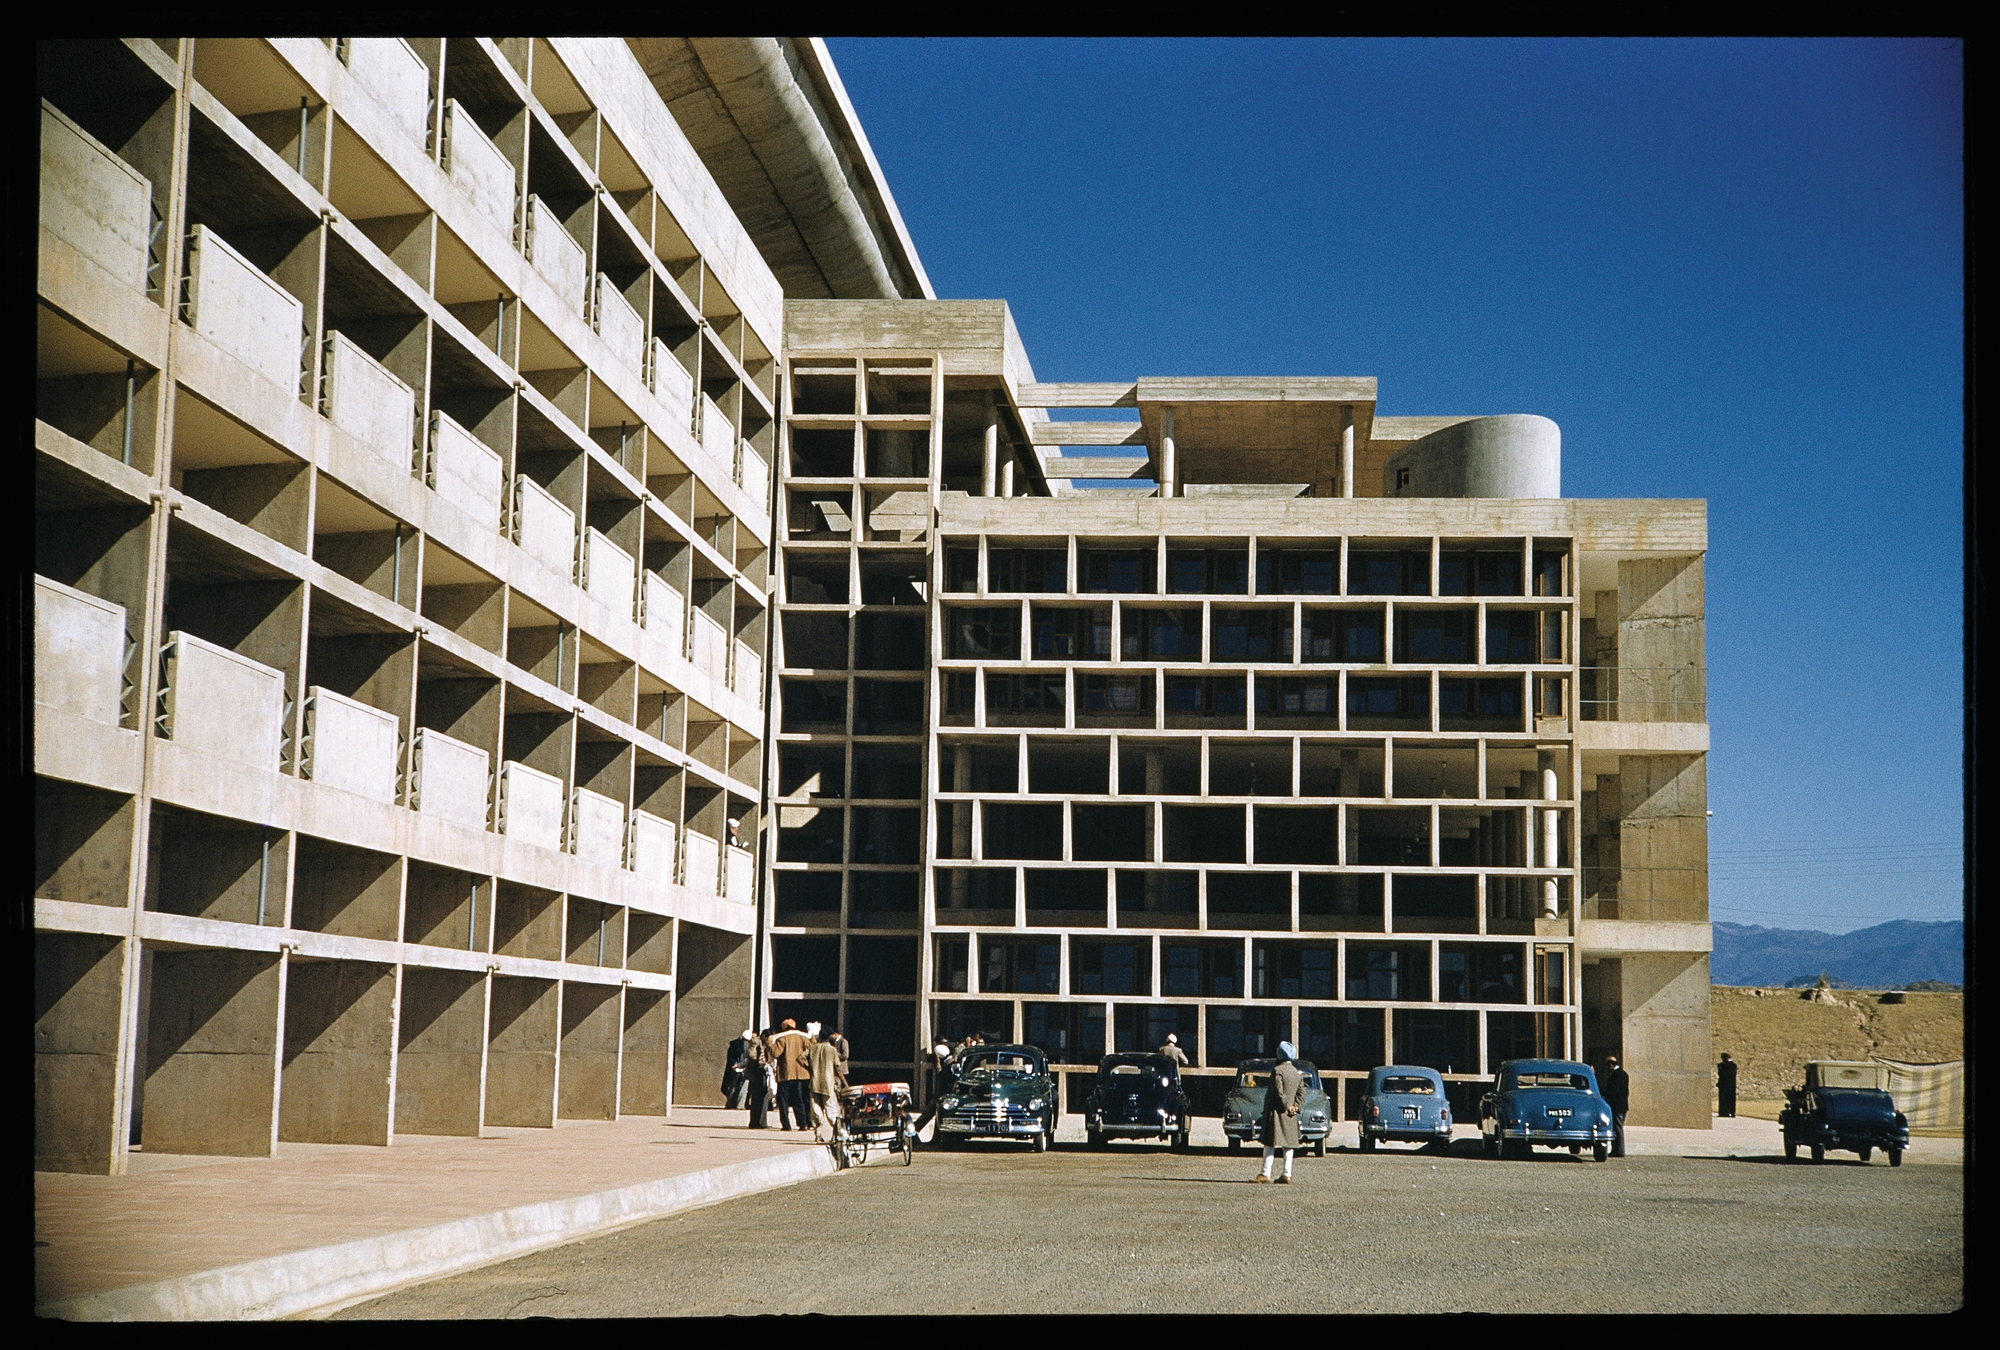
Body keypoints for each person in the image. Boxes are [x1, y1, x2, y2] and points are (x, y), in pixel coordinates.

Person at [1257, 1040, 1307, 1184]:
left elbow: (1278, 1092)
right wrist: (1295, 1107)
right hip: (1290, 1115)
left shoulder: (1277, 1071)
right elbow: (1301, 1093)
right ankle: (1287, 1173)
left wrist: (1286, 1105)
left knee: (1269, 1142)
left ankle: (1265, 1173)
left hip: (1276, 1113)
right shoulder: (1297, 1073)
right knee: (1289, 1144)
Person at [770, 1018, 813, 1132]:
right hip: (800, 1073)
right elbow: (811, 1048)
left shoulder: (782, 1039)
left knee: (783, 1100)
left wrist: (769, 1043)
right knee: (798, 1099)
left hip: (786, 1074)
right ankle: (803, 1124)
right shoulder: (802, 1037)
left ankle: (786, 1125)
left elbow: (776, 1053)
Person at [806, 1022, 842, 1142]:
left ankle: (818, 1134)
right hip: (828, 1083)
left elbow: (800, 1058)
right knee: (831, 1109)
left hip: (814, 1082)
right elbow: (837, 1067)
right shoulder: (832, 1050)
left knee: (816, 1109)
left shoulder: (812, 1048)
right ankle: (835, 1134)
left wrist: (810, 1068)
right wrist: (844, 1083)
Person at [745, 1026, 775, 1129]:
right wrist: (761, 1062)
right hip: (757, 1072)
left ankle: (761, 1121)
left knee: (763, 1097)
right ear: (764, 1036)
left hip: (764, 1071)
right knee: (757, 1097)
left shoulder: (767, 1044)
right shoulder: (756, 1042)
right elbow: (752, 1054)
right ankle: (755, 1122)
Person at [1603, 1054, 1631, 1158]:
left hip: (1617, 1106)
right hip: (1621, 1105)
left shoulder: (1617, 1075)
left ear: (1611, 1065)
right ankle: (1616, 1150)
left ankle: (1619, 1151)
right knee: (1616, 1128)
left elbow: (1614, 1091)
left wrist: (1603, 1092)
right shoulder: (1623, 1074)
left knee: (1617, 1129)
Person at [722, 1029, 754, 1111]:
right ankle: (740, 1105)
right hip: (744, 1069)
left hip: (734, 1068)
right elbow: (748, 1058)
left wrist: (734, 1065)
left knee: (733, 1086)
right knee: (743, 1087)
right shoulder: (748, 1045)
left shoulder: (734, 1044)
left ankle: (730, 1103)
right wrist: (740, 1065)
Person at [1717, 1053, 1738, 1118]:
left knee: (1730, 1099)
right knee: (1723, 1099)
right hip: (1723, 1085)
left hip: (1730, 1085)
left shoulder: (1732, 1065)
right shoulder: (1721, 1065)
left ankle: (1731, 1112)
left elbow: (1728, 1073)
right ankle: (1723, 1112)